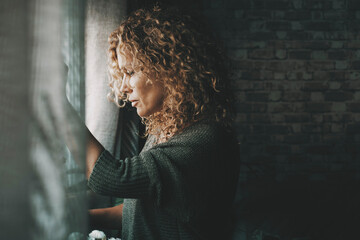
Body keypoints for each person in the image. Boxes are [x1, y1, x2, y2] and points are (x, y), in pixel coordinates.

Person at [81, 5, 240, 240]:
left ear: (167, 69)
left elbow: (110, 179)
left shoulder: (203, 141)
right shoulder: (167, 129)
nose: (124, 87)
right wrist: (86, 218)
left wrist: (60, 108)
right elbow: (144, 210)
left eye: (131, 71)